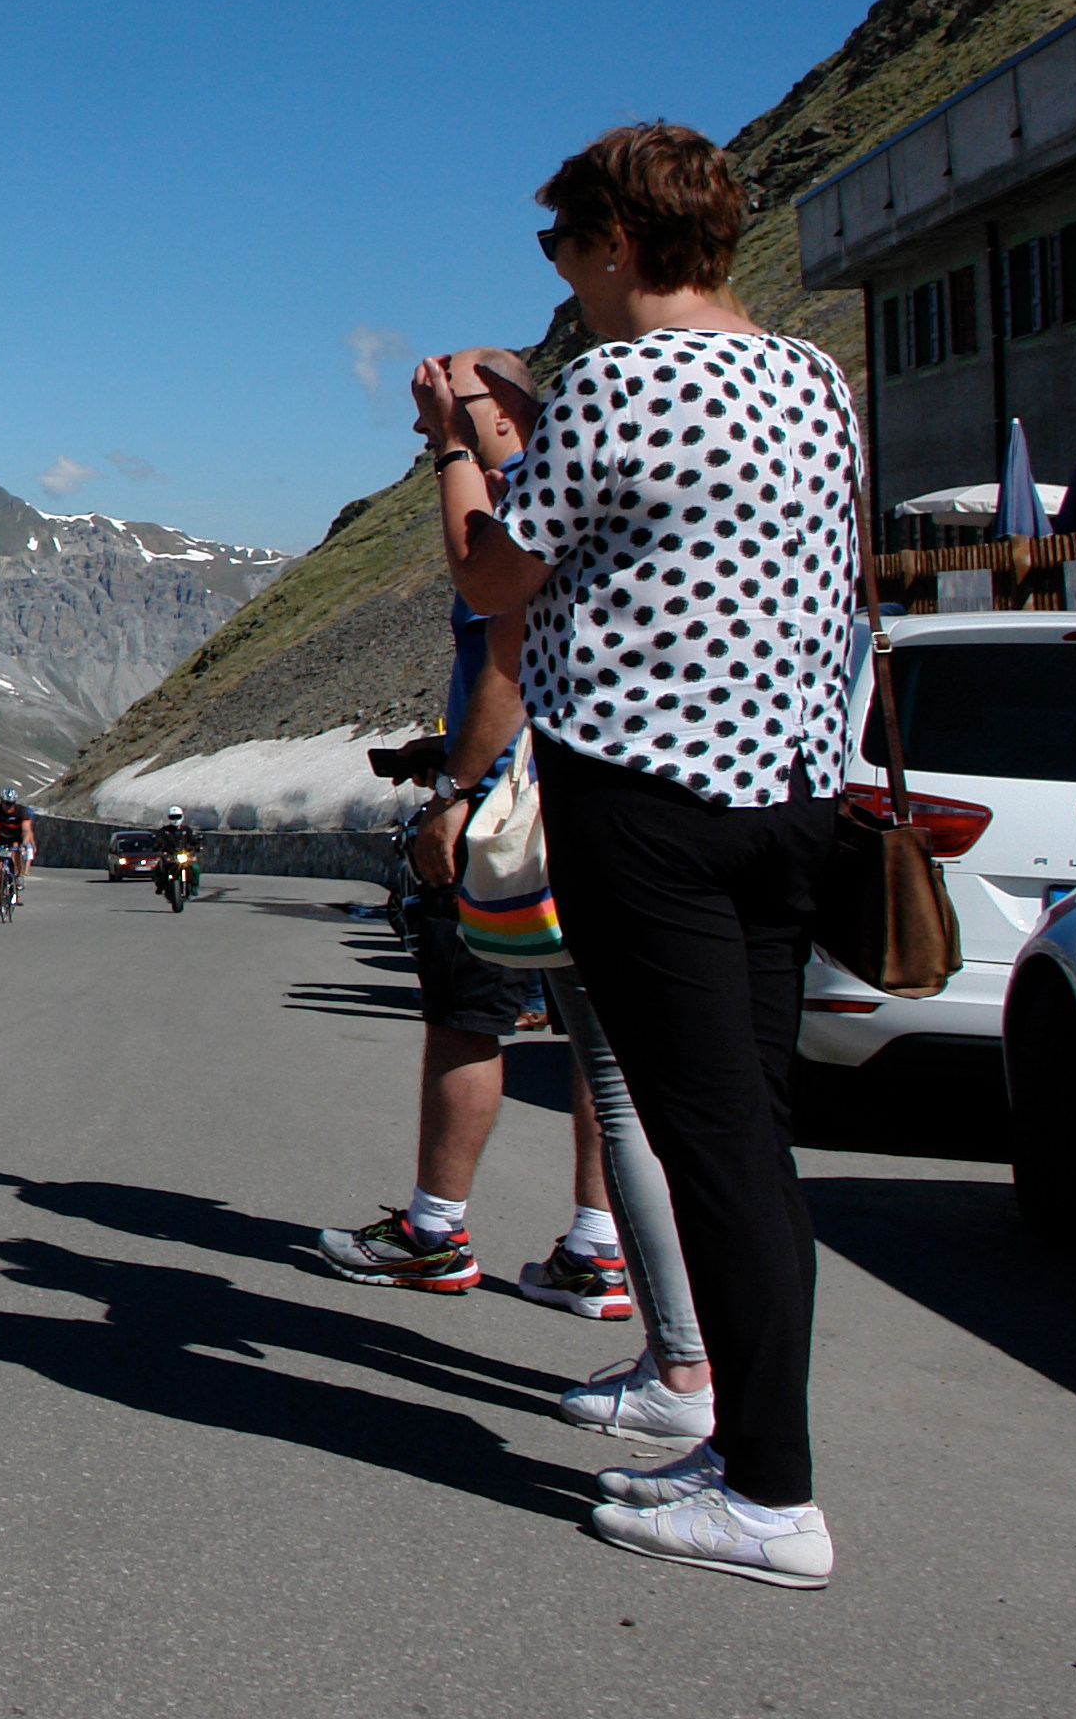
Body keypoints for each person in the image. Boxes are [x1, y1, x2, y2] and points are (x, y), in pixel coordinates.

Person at [451, 123, 859, 1587]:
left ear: (616, 242)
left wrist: (470, 442)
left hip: (647, 799)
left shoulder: (615, 386)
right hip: (790, 795)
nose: (560, 273)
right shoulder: (813, 376)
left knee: (711, 1141)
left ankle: (772, 1497)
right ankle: (737, 1438)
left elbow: (495, 573)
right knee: (751, 1130)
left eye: (563, 245)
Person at [410, 346, 718, 1449]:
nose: (432, 421)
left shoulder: (532, 496)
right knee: (622, 1068)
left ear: (503, 408)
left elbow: (500, 637)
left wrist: (455, 793)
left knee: (495, 1024)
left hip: (538, 818)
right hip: (662, 802)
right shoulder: (632, 489)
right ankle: (604, 1258)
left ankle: (677, 1359)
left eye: (453, 402)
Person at [0, 791, 33, 907]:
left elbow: (27, 830)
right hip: (3, 839)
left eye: (11, 804)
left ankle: (20, 875)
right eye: (5, 803)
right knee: (0, 870)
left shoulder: (21, 811)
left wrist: (24, 844)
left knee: (16, 850)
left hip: (17, 838)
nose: (8, 807)